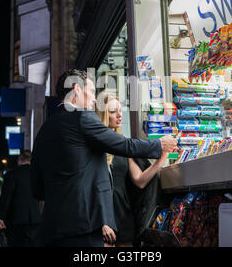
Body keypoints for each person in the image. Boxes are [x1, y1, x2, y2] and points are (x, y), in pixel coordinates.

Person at [31, 69, 178, 247]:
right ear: (77, 89)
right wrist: (160, 145)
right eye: (92, 92)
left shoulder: (44, 131)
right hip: (83, 227)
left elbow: (37, 189)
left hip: (51, 229)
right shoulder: (82, 117)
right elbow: (125, 145)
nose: (94, 99)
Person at [96, 93, 169, 246]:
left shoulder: (122, 143)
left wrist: (160, 160)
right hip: (103, 214)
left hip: (124, 213)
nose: (119, 115)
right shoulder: (95, 146)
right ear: (103, 114)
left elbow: (139, 181)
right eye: (113, 111)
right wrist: (102, 221)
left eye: (120, 110)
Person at [0, 150, 41, 247]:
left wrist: (0, 216)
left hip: (16, 219)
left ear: (19, 160)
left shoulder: (11, 174)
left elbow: (6, 197)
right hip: (34, 218)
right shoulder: (37, 175)